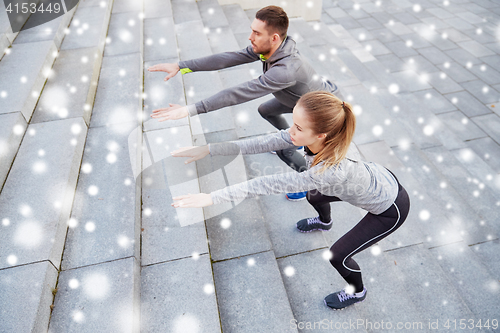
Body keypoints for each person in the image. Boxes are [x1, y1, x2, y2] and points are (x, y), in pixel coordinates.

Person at [169, 91, 410, 310]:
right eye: (293, 124)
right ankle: (324, 222)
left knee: (338, 255)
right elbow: (261, 143)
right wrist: (210, 149)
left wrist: (211, 197)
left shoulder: (328, 171)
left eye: (297, 128)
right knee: (313, 193)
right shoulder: (317, 140)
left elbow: (264, 184)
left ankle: (357, 292)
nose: (290, 132)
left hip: (389, 209)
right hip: (371, 181)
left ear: (320, 135)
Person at [148, 5, 340, 202]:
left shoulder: (286, 69)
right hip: (298, 100)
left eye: (256, 33)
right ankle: (295, 143)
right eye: (252, 30)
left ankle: (306, 184)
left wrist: (191, 109)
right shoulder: (272, 48)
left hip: (320, 112)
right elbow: (228, 58)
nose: (250, 37)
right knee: (265, 110)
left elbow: (238, 93)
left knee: (284, 150)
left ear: (274, 37)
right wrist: (181, 66)